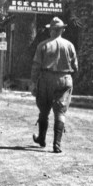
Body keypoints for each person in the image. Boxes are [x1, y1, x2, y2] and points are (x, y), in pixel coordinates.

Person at [31, 16, 78, 154]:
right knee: (60, 112)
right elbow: (75, 67)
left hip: (46, 79)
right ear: (62, 30)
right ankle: (57, 145)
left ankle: (41, 139)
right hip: (65, 78)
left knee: (44, 110)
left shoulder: (43, 45)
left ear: (51, 30)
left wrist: (34, 83)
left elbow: (36, 66)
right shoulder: (70, 45)